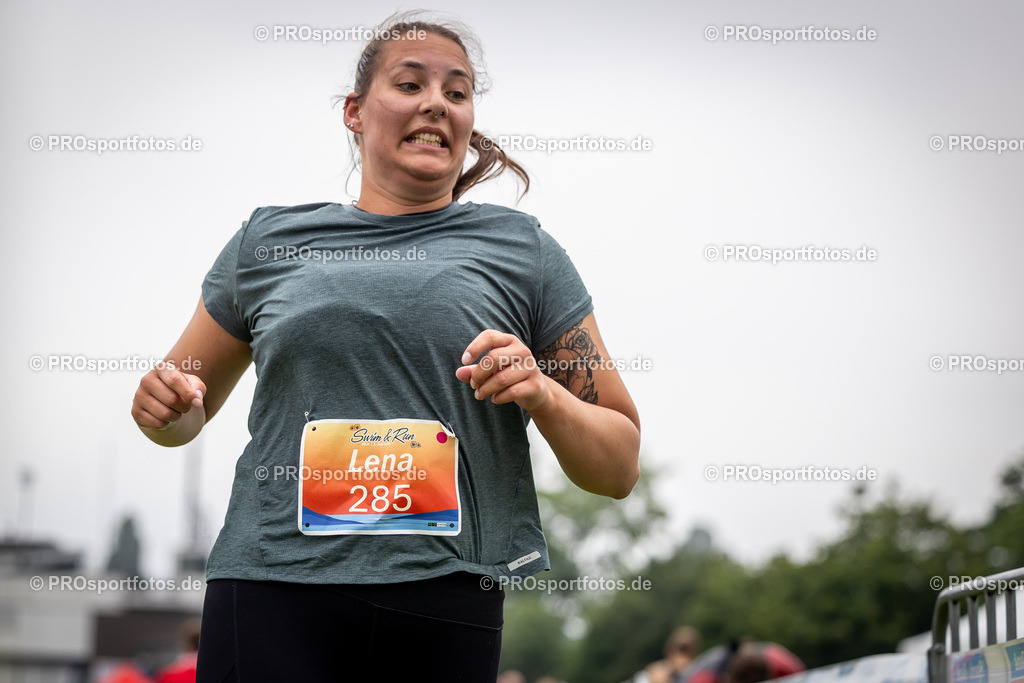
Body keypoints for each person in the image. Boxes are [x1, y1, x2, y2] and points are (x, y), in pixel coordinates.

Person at [130, 10, 641, 681]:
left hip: (444, 597)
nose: (437, 102)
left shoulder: (526, 253)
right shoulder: (268, 242)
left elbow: (618, 465)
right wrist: (166, 408)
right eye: (410, 84)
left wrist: (543, 394)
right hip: (271, 586)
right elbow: (184, 412)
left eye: (457, 93)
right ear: (354, 112)